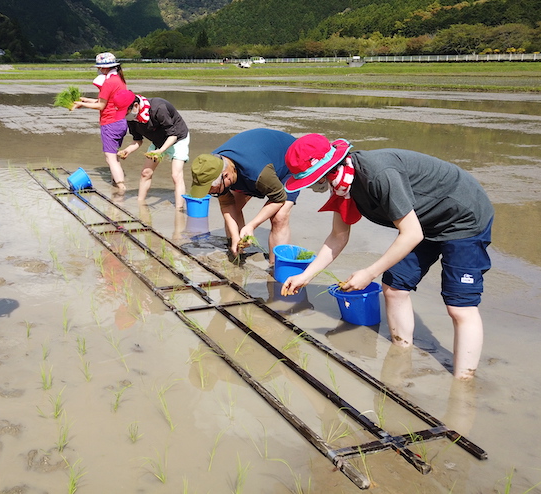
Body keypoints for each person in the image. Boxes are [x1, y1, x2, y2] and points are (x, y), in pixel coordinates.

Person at [280, 134, 494, 380]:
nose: (311, 187)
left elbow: (411, 234)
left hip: (462, 217)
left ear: (327, 170)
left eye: (312, 181)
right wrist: (305, 275)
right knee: (394, 288)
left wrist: (369, 273)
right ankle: (401, 357)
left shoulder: (377, 175)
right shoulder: (343, 186)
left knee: (459, 307)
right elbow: (338, 236)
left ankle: (463, 384)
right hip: (423, 221)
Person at [189, 128, 299, 263]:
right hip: (256, 157)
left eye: (211, 189)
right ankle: (236, 250)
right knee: (234, 206)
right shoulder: (212, 166)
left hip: (290, 160)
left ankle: (277, 266)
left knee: (279, 217)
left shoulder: (257, 173)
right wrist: (235, 237)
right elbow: (226, 203)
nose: (210, 193)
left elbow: (278, 198)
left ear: (226, 176)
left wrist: (252, 225)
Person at [112, 89, 190, 210]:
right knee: (145, 173)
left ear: (136, 106)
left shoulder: (159, 108)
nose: (124, 116)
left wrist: (160, 151)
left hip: (178, 139)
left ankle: (179, 210)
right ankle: (140, 204)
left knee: (176, 175)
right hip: (159, 141)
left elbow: (173, 135)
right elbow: (138, 140)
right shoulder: (132, 118)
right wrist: (127, 150)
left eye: (125, 111)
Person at [72, 52, 129, 191]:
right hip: (121, 123)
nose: (98, 70)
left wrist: (82, 105)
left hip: (110, 123)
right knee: (114, 156)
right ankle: (115, 184)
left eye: (99, 67)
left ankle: (121, 188)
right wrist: (86, 99)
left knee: (110, 158)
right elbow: (105, 101)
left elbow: (100, 106)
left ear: (104, 68)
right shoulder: (119, 80)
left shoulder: (108, 82)